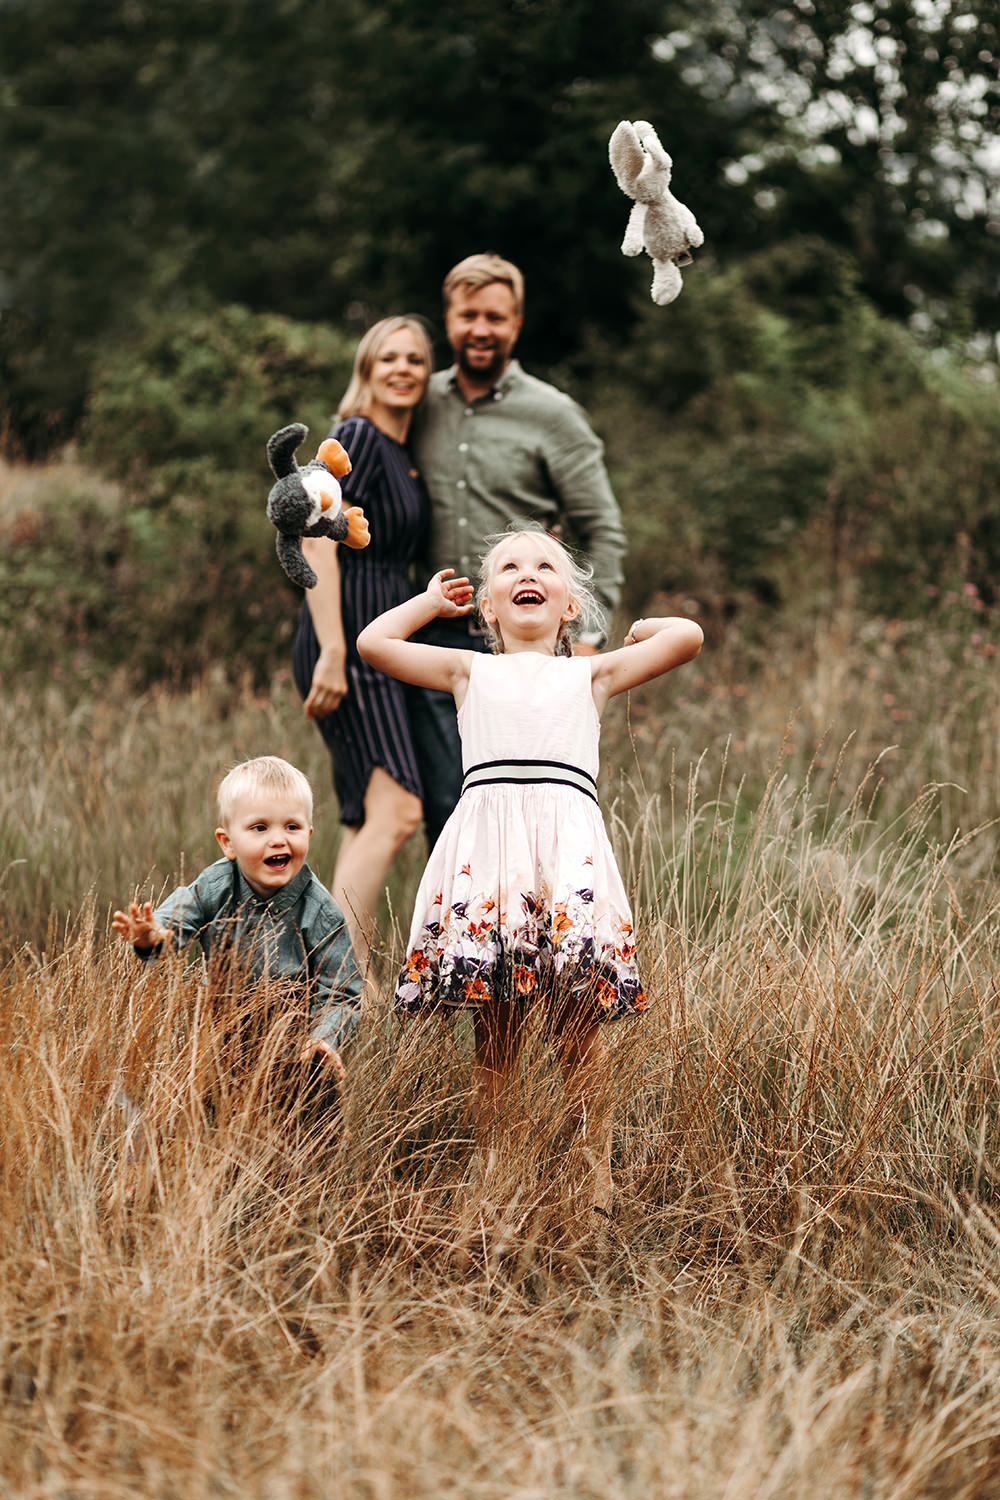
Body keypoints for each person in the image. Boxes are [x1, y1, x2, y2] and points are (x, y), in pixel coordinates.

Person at [357, 528, 703, 1206]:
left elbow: (686, 636)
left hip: (565, 864)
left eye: (546, 566)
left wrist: (642, 626)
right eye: (510, 567)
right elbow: (374, 645)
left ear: (568, 605)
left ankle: (593, 1170)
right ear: (488, 607)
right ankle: (496, 1172)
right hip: (493, 868)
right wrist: (428, 603)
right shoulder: (468, 671)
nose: (529, 573)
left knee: (580, 1035)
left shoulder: (590, 674)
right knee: (496, 1038)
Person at [409, 252, 629, 845]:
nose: (481, 329)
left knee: (538, 803)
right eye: (468, 315)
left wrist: (587, 638)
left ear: (517, 323)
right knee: (446, 805)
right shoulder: (416, 402)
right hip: (436, 636)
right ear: (449, 320)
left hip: (527, 643)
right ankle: (464, 932)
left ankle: (543, 930)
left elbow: (602, 528)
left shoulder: (553, 415)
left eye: (496, 317)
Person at [291, 316, 434, 971]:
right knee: (399, 810)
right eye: (389, 358)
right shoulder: (357, 437)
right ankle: (337, 984)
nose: (403, 368)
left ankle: (334, 988)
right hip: (346, 642)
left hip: (379, 642)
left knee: (365, 820)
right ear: (367, 369)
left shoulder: (401, 453)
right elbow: (315, 532)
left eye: (416, 359)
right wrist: (332, 649)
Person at [112, 756, 362, 1078]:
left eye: (292, 827)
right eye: (260, 828)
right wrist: (152, 935)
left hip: (295, 1060)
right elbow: (182, 916)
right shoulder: (217, 886)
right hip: (220, 1053)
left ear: (309, 833)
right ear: (228, 843)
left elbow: (341, 992)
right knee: (215, 1121)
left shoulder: (320, 913)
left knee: (306, 1124)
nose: (278, 839)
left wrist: (323, 1037)